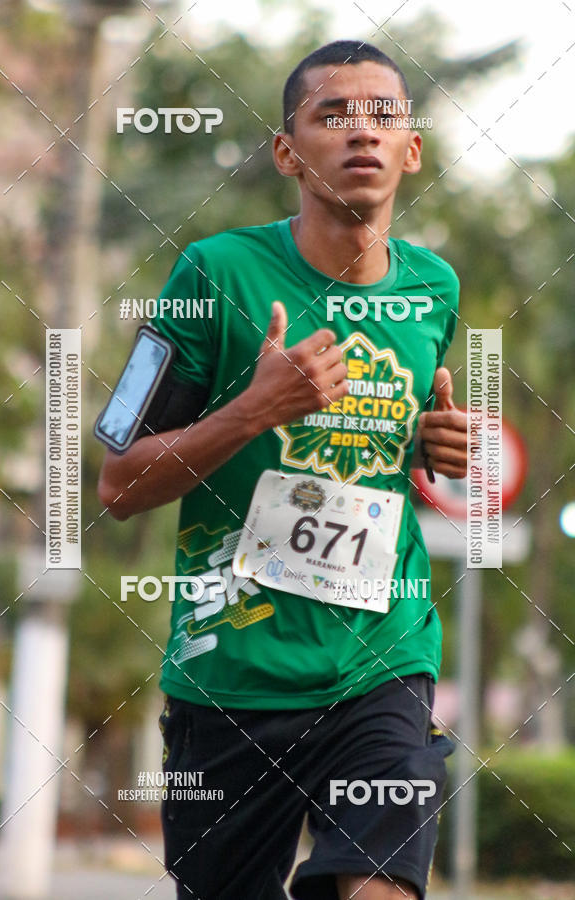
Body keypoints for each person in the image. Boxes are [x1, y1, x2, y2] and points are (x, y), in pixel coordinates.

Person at [98, 40, 468, 900]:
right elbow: (118, 485)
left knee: (382, 885)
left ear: (412, 151)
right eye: (332, 115)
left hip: (381, 656)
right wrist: (253, 410)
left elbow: (382, 439)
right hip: (231, 673)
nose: (362, 133)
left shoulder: (434, 289)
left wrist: (431, 445)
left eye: (384, 115)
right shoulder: (213, 275)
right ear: (287, 152)